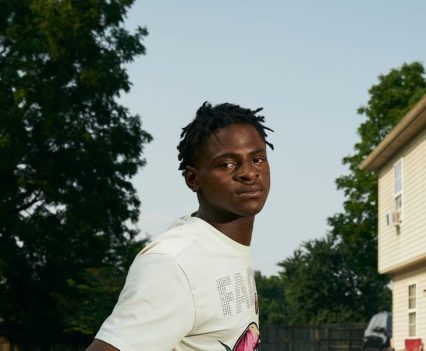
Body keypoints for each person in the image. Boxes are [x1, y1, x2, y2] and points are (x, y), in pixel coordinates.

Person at [86, 102, 273, 351]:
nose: (249, 173)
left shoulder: (226, 247)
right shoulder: (173, 262)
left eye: (257, 159)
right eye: (227, 164)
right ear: (193, 179)